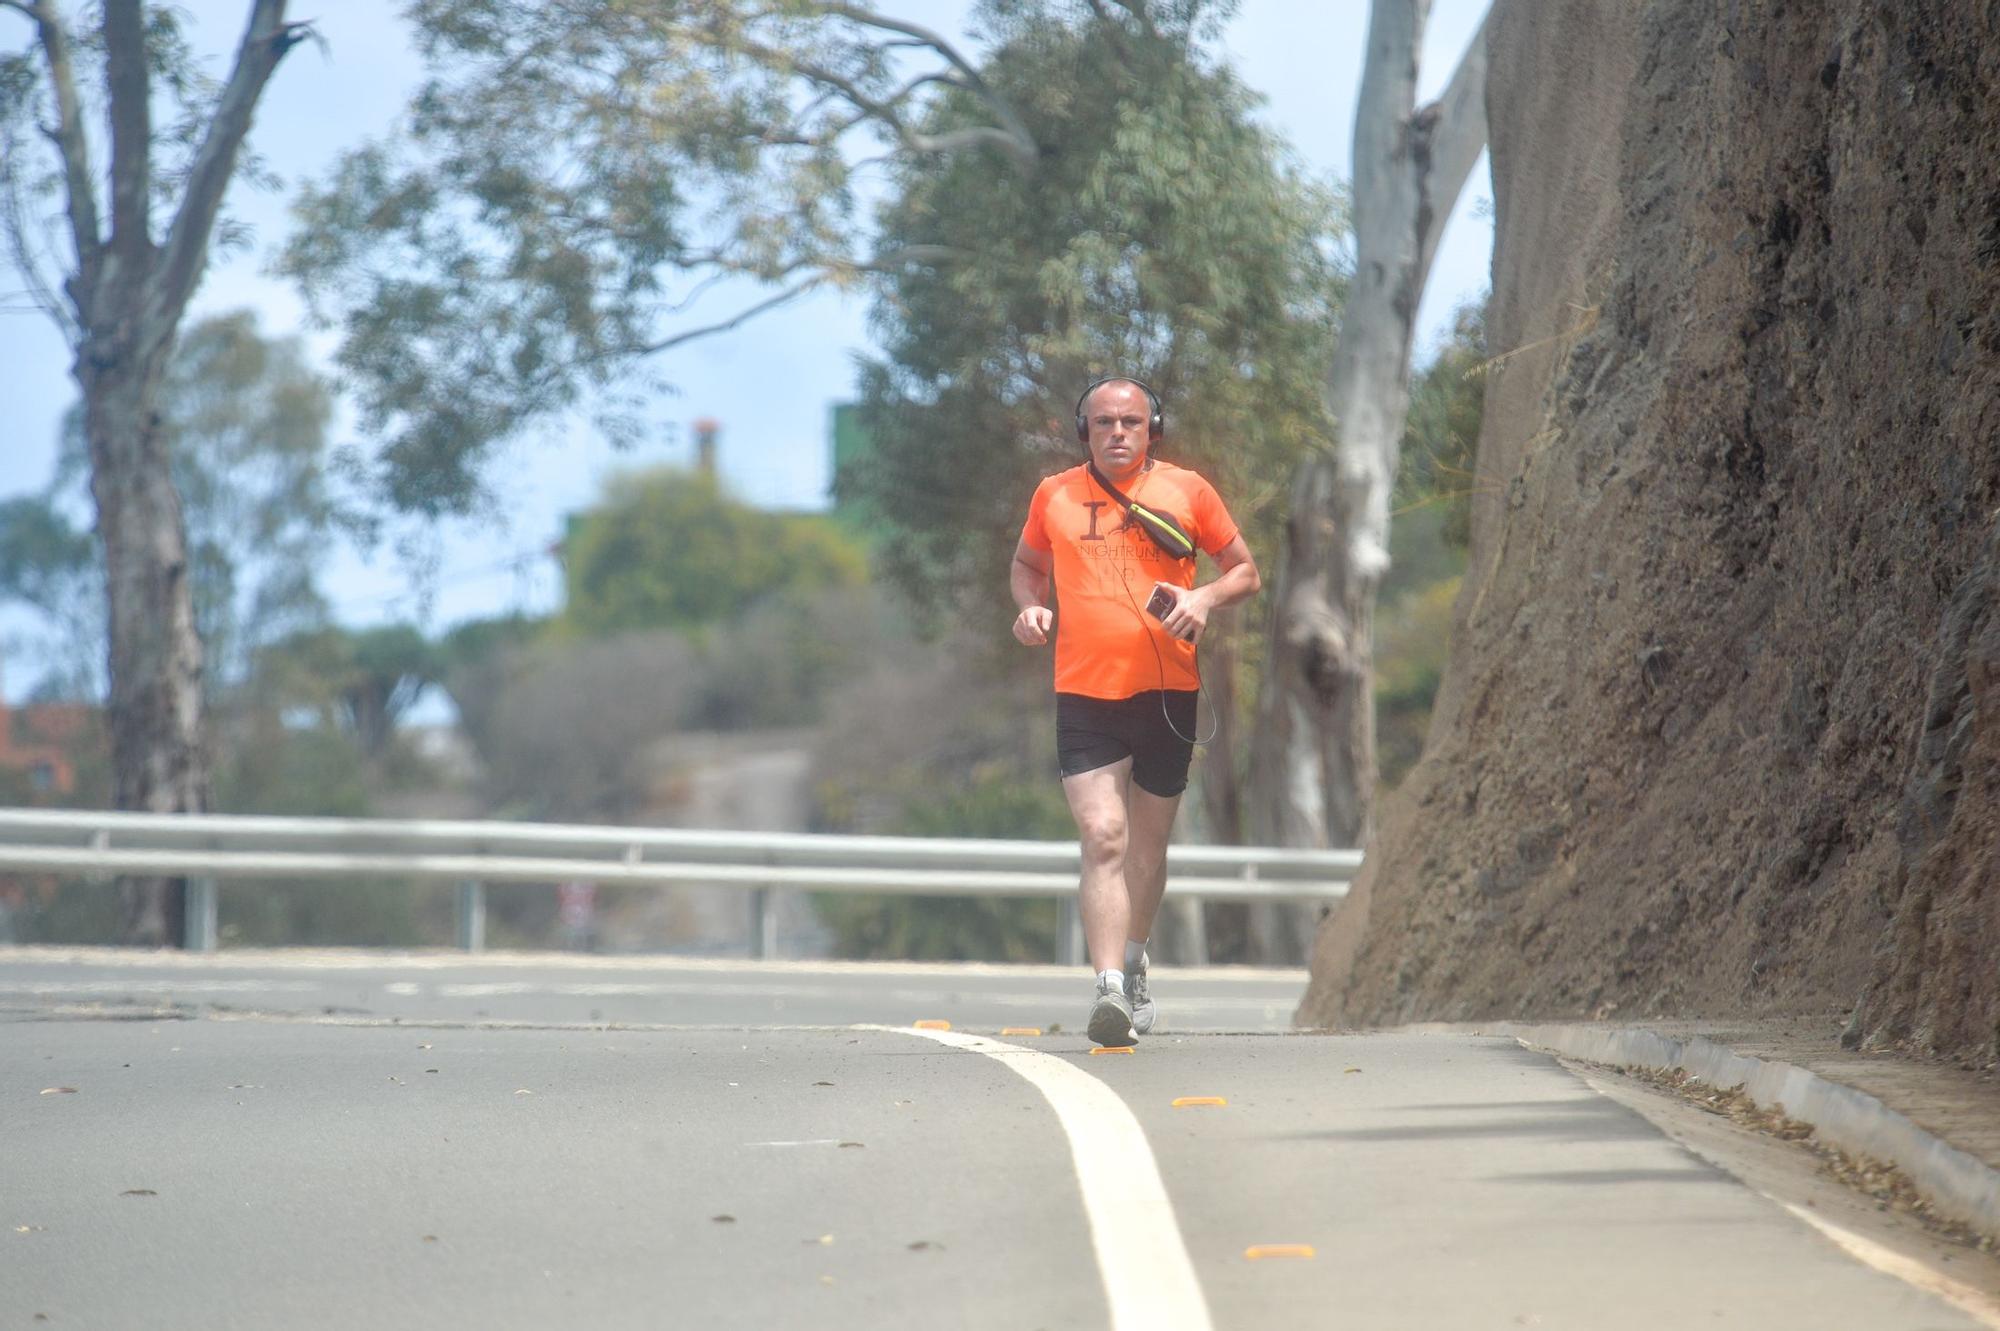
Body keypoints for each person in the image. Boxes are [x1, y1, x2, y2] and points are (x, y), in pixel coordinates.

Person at [1010, 377, 1261, 1047]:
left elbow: (1244, 570)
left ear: (1153, 428)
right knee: (1104, 835)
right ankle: (1108, 989)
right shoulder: (1054, 494)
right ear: (1082, 430)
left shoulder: (1189, 491)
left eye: (1130, 421)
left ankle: (1135, 957)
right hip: (1085, 692)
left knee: (1147, 847)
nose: (1117, 432)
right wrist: (1030, 605)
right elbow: (1026, 564)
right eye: (1102, 423)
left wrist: (1204, 600)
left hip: (1167, 692)